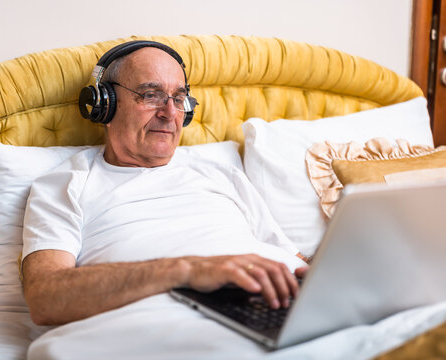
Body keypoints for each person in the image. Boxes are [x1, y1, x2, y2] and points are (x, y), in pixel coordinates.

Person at [21, 41, 309, 327]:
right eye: (150, 95)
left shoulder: (221, 173)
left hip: (283, 309)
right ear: (104, 105)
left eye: (179, 98)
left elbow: (295, 259)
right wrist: (187, 269)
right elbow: (45, 298)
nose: (170, 113)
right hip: (180, 323)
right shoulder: (67, 185)